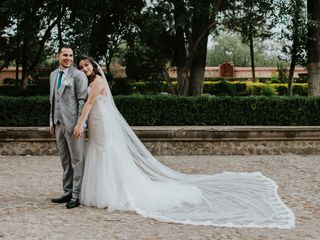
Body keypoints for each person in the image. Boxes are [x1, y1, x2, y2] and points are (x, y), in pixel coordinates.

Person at [73, 55, 295, 228]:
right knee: (100, 151)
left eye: (87, 65)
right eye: (81, 66)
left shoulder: (97, 82)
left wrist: (79, 124)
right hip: (98, 123)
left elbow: (89, 105)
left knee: (105, 152)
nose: (85, 69)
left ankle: (113, 192)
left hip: (99, 122)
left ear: (93, 65)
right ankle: (105, 189)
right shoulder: (92, 81)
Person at [49, 46, 88, 209]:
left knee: (77, 160)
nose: (68, 58)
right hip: (58, 124)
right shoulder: (53, 75)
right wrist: (51, 120)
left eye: (71, 55)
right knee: (65, 160)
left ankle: (77, 195)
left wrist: (80, 123)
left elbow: (82, 100)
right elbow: (52, 100)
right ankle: (67, 192)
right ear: (58, 56)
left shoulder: (78, 75)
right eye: (65, 55)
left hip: (74, 125)